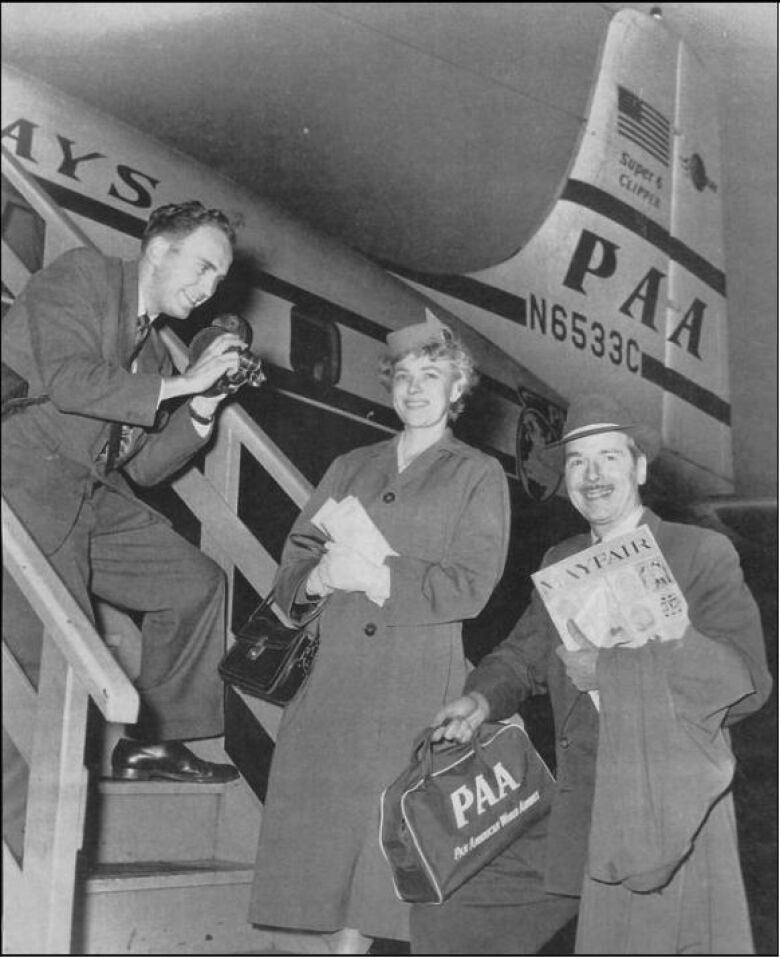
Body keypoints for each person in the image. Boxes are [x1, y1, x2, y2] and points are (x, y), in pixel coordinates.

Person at [414, 393, 772, 955]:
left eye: (608, 457)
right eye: (578, 461)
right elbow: (521, 655)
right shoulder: (563, 557)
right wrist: (481, 700)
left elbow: (748, 685)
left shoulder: (699, 551)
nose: (593, 474)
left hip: (662, 804)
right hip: (579, 803)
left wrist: (616, 667)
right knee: (454, 914)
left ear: (640, 467)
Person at [248, 312, 511, 954]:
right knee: (314, 861)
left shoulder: (477, 473)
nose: (415, 388)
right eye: (403, 377)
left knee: (373, 873)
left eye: (432, 375)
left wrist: (381, 574)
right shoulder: (351, 464)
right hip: (333, 682)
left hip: (410, 687)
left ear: (458, 390)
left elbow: (472, 586)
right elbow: (292, 565)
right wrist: (319, 579)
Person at [2, 201, 246, 819]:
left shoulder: (155, 357)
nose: (207, 287)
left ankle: (153, 744)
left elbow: (141, 468)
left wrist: (202, 409)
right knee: (62, 672)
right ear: (159, 250)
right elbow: (71, 380)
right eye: (201, 267)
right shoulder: (83, 275)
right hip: (24, 481)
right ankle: (24, 839)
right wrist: (186, 384)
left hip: (87, 496)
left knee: (195, 584)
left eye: (218, 280)